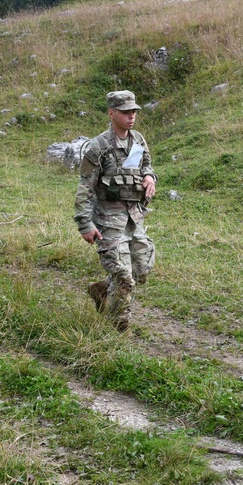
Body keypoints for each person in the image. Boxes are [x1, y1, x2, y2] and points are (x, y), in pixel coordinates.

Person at [74, 90, 157, 331]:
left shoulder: (138, 140)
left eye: (134, 111)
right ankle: (118, 327)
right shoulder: (98, 146)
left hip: (134, 217)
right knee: (124, 278)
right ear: (112, 114)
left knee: (141, 270)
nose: (131, 116)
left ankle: (100, 289)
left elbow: (146, 164)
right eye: (125, 112)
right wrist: (85, 225)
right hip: (108, 220)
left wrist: (149, 176)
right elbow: (84, 188)